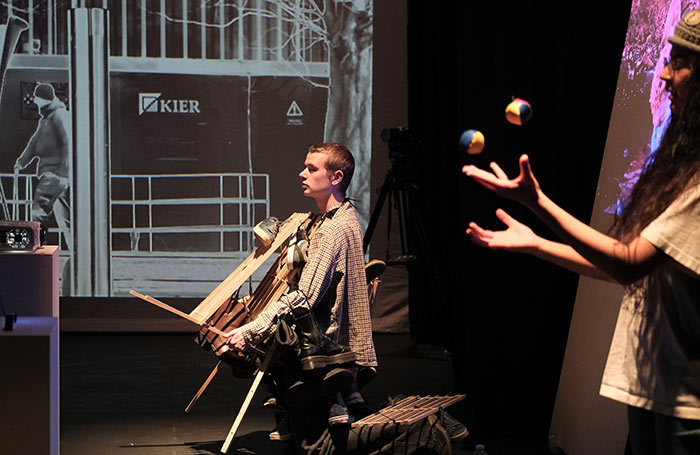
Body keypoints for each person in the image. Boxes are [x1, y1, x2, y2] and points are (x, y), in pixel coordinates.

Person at [462, 9, 700, 455]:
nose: (664, 74)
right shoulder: (683, 164)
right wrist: (537, 243)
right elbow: (634, 270)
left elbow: (627, 264)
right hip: (656, 391)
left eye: (680, 63)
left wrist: (538, 204)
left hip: (686, 409)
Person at [14, 82, 72, 252]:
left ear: (42, 99)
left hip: (54, 173)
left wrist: (64, 170)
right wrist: (21, 162)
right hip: (58, 175)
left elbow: (68, 142)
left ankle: (29, 251)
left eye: (37, 98)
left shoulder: (59, 116)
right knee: (64, 218)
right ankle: (77, 251)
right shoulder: (46, 119)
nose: (35, 101)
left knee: (38, 212)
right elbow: (34, 143)